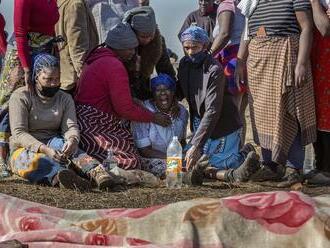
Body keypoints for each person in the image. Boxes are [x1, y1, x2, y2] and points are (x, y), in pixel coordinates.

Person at [8, 53, 125, 191]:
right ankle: (61, 177)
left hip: (53, 140)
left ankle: (98, 173)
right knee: (30, 161)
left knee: (71, 149)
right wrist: (44, 149)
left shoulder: (64, 98)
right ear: (36, 77)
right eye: (48, 79)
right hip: (24, 146)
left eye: (57, 79)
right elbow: (19, 133)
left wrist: (72, 140)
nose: (53, 83)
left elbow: (70, 126)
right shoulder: (21, 96)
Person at [236, 0, 316, 186]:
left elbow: (306, 28)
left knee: (291, 111)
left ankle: (293, 168)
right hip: (258, 64)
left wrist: (302, 63)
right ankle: (271, 166)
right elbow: (247, 33)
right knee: (263, 114)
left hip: (287, 59)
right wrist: (240, 61)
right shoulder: (251, 2)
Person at [75, 23, 171, 171]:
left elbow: (105, 95)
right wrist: (154, 117)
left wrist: (132, 101)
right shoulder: (114, 65)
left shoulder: (96, 59)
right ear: (119, 47)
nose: (133, 52)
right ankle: (105, 173)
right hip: (97, 126)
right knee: (129, 162)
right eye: (130, 48)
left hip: (84, 124)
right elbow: (124, 109)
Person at [178, 25, 260, 183]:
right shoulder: (184, 65)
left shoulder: (214, 70)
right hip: (201, 124)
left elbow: (212, 110)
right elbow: (180, 89)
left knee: (217, 162)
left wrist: (196, 144)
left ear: (205, 46)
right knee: (187, 162)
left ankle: (241, 156)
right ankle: (232, 170)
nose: (190, 52)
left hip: (223, 126)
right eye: (186, 47)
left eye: (195, 47)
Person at [0, 0, 60, 172]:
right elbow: (20, 32)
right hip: (21, 55)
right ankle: (1, 160)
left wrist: (54, 50)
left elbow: (51, 26)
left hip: (45, 52)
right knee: (8, 106)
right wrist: (26, 68)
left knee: (37, 101)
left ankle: (27, 151)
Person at [132, 74, 189, 177]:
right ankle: (185, 175)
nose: (163, 93)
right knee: (167, 167)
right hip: (152, 160)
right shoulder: (145, 112)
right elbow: (144, 150)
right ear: (153, 94)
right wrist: (173, 158)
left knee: (191, 162)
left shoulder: (182, 112)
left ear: (173, 92)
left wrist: (185, 156)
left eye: (167, 89)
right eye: (158, 90)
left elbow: (182, 142)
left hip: (176, 158)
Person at [210, 0, 248, 145]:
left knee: (233, 111)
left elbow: (224, 34)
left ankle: (232, 150)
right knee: (239, 111)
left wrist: (208, 55)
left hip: (232, 59)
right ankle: (238, 148)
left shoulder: (226, 4)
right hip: (243, 57)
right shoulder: (240, 5)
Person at [123, 6, 176, 100]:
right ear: (133, 32)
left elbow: (166, 70)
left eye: (150, 36)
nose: (147, 40)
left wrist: (172, 96)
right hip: (123, 88)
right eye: (143, 36)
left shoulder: (158, 41)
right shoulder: (122, 43)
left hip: (144, 89)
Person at [307, 0, 330, 183]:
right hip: (315, 60)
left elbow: (324, 28)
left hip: (326, 62)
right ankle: (319, 165)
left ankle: (326, 169)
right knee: (315, 111)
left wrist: (314, 2)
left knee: (326, 112)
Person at [56, 0, 99, 95]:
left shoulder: (61, 2)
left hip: (63, 74)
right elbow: (77, 45)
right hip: (74, 78)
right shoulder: (75, 5)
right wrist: (85, 77)